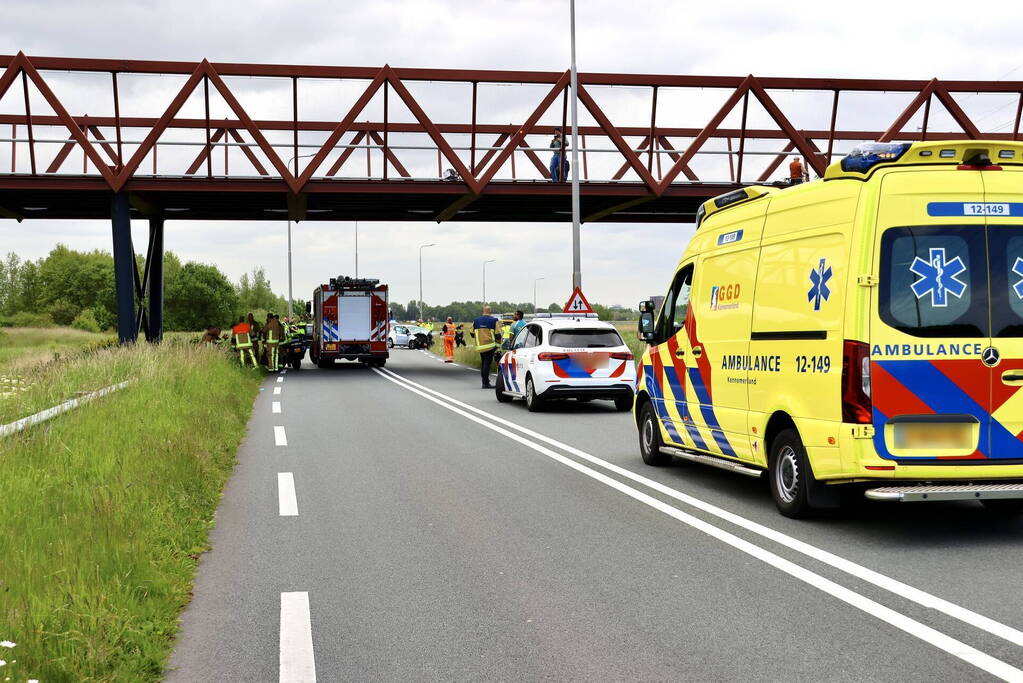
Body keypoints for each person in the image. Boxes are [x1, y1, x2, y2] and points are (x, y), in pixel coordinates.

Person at [472, 305, 501, 388]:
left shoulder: (476, 320)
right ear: (490, 312)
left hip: (480, 346)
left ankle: (484, 381)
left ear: (483, 311)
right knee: (487, 364)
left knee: (483, 363)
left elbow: (471, 333)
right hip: (490, 346)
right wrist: (498, 345)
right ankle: (485, 383)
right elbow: (498, 335)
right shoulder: (494, 320)